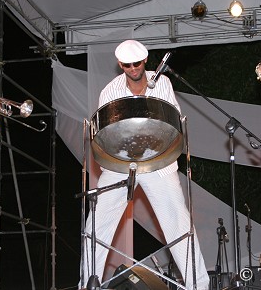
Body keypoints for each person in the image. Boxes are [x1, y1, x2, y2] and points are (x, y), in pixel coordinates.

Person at [80, 40, 209, 289]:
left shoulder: (162, 83)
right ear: (120, 65)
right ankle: (88, 284)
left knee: (178, 224)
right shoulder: (110, 91)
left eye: (137, 63)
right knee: (96, 225)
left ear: (145, 60)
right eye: (127, 65)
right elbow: (105, 134)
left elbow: (173, 123)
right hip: (119, 164)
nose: (133, 69)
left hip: (157, 162)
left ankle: (198, 286)